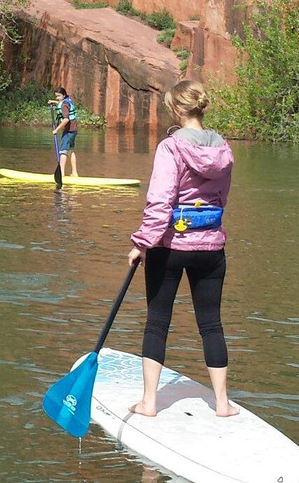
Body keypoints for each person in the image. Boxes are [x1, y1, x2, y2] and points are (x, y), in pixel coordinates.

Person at [126, 80, 238, 418]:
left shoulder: (170, 148)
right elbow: (220, 199)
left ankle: (148, 404)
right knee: (211, 324)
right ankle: (222, 404)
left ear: (177, 109)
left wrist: (142, 244)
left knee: (157, 322)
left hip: (170, 247)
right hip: (211, 248)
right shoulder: (225, 150)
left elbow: (160, 203)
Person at [48, 87, 79, 177]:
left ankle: (61, 173)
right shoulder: (67, 101)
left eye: (59, 96)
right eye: (56, 96)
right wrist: (54, 102)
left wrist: (56, 130)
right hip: (73, 130)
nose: (57, 98)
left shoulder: (64, 105)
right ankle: (74, 172)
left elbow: (66, 120)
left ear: (64, 95)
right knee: (70, 151)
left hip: (69, 131)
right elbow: (62, 104)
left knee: (63, 151)